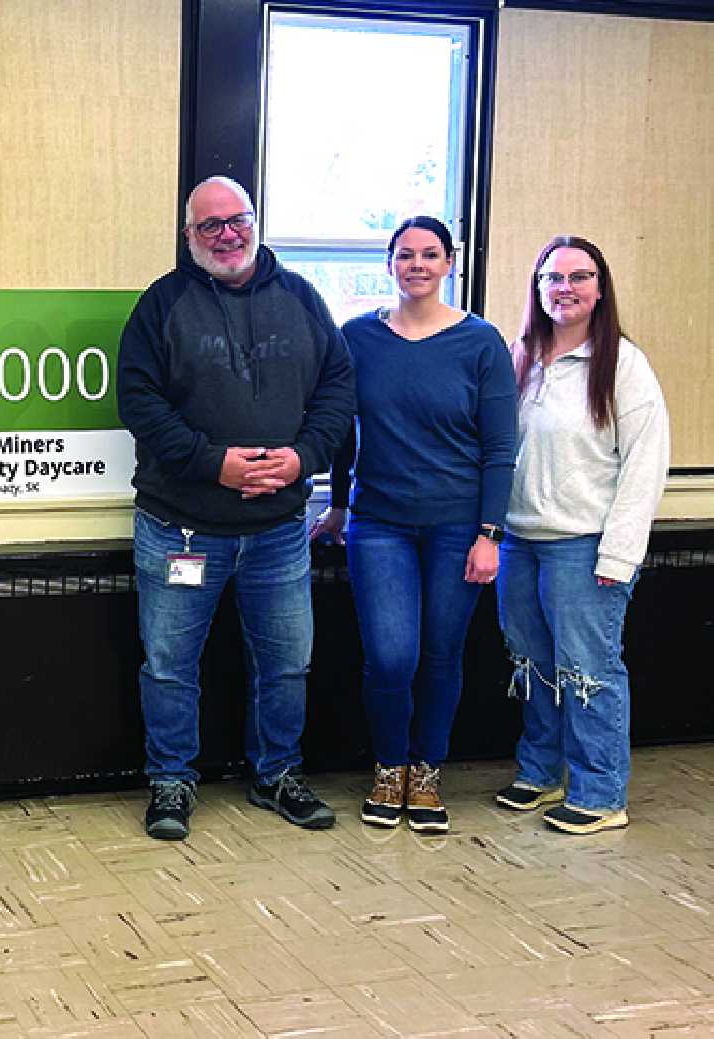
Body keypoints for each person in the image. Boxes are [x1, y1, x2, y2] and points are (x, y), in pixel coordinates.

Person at [118, 175, 355, 841]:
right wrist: (212, 463)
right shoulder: (161, 305)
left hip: (279, 530)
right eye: (209, 225)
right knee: (168, 664)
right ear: (188, 235)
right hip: (179, 529)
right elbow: (138, 402)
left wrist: (303, 456)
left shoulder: (304, 299)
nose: (226, 234)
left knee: (286, 662)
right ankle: (170, 781)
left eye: (236, 219)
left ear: (255, 221)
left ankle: (277, 772)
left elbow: (339, 386)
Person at [310, 216, 516, 834]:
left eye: (430, 254)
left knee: (441, 654)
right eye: (406, 255)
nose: (417, 265)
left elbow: (500, 447)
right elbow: (346, 432)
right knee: (391, 656)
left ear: (450, 263)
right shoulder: (357, 338)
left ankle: (426, 772)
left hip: (459, 526)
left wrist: (490, 533)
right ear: (390, 263)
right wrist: (340, 502)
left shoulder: (481, 343)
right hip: (380, 525)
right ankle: (389, 766)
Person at [493, 236, 669, 834]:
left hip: (585, 546)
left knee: (589, 670)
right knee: (535, 664)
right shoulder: (520, 357)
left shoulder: (623, 364)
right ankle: (541, 773)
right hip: (519, 541)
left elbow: (645, 464)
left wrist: (620, 554)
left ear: (599, 288)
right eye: (552, 277)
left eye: (578, 276)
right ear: (537, 288)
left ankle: (599, 794)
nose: (563, 288)